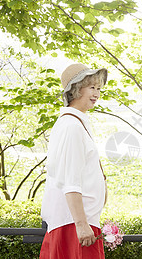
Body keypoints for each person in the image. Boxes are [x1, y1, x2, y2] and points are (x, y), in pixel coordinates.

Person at [40, 63, 108, 259]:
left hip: (79, 223)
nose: (96, 93)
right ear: (76, 89)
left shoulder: (76, 123)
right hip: (74, 226)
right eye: (92, 87)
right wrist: (81, 224)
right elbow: (70, 180)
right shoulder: (71, 126)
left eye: (98, 88)